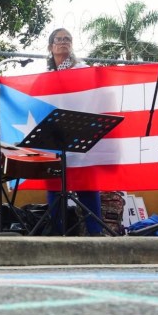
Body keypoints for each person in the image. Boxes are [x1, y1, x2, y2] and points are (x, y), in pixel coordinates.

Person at [43, 28, 103, 235]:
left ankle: (96, 234)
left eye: (67, 39)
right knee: (55, 185)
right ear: (50, 47)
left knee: (86, 185)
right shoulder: (46, 76)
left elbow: (97, 95)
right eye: (58, 39)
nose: (63, 42)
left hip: (80, 133)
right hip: (54, 138)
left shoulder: (82, 69)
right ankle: (58, 234)